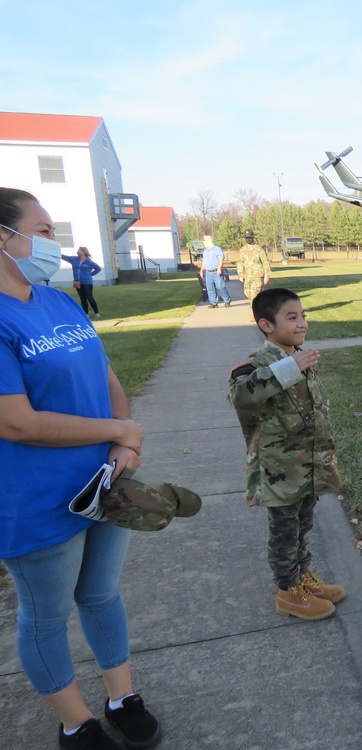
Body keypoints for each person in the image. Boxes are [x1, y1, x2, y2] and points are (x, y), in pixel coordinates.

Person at [0, 188, 160, 749]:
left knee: (101, 594)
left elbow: (106, 372)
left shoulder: (57, 300)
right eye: (42, 231)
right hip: (36, 499)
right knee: (43, 617)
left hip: (103, 483)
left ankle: (122, 696)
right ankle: (76, 723)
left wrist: (126, 444)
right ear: (3, 237)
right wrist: (119, 432)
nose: (53, 243)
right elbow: (15, 422)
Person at [228, 288, 346, 621]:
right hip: (279, 471)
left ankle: (302, 578)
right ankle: (287, 592)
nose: (301, 323)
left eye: (303, 316)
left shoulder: (300, 356)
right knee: (283, 533)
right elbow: (241, 394)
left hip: (306, 468)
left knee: (302, 527)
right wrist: (289, 367)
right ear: (266, 325)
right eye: (291, 317)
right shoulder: (257, 366)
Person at [61, 247, 102, 317]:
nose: (79, 252)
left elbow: (98, 268)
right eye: (78, 250)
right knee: (82, 298)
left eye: (81, 251)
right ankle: (86, 314)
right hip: (77, 282)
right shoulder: (74, 259)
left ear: (85, 252)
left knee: (89, 297)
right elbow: (64, 257)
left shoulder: (89, 262)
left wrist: (90, 274)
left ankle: (97, 313)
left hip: (87, 282)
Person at [235, 229, 271, 304]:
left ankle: (255, 313)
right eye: (246, 238)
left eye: (249, 237)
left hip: (257, 276)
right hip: (247, 276)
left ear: (252, 238)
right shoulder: (242, 250)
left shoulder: (259, 249)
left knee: (255, 296)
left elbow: (265, 262)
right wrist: (240, 274)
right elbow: (240, 262)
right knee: (248, 294)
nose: (248, 239)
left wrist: (267, 276)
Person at [197, 235, 231, 308]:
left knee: (220, 287)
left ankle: (227, 300)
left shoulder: (217, 249)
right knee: (210, 288)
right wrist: (202, 270)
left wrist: (219, 268)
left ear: (209, 241)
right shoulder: (205, 251)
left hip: (216, 271)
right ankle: (213, 303)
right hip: (208, 272)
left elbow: (221, 259)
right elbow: (204, 262)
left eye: (205, 241)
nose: (204, 242)